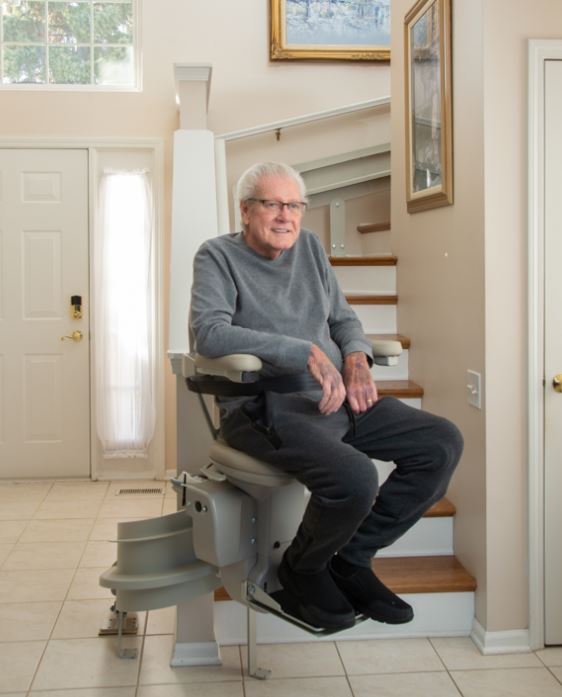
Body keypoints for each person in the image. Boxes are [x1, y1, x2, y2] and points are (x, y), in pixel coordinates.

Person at [190, 161, 463, 631]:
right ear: (245, 210)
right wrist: (304, 352)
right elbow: (209, 335)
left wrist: (356, 357)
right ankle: (303, 567)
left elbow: (343, 320)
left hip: (338, 394)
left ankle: (351, 558)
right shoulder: (216, 256)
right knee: (356, 478)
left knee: (440, 444)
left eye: (294, 205)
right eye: (272, 204)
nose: (285, 217)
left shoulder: (310, 248)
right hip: (266, 407)